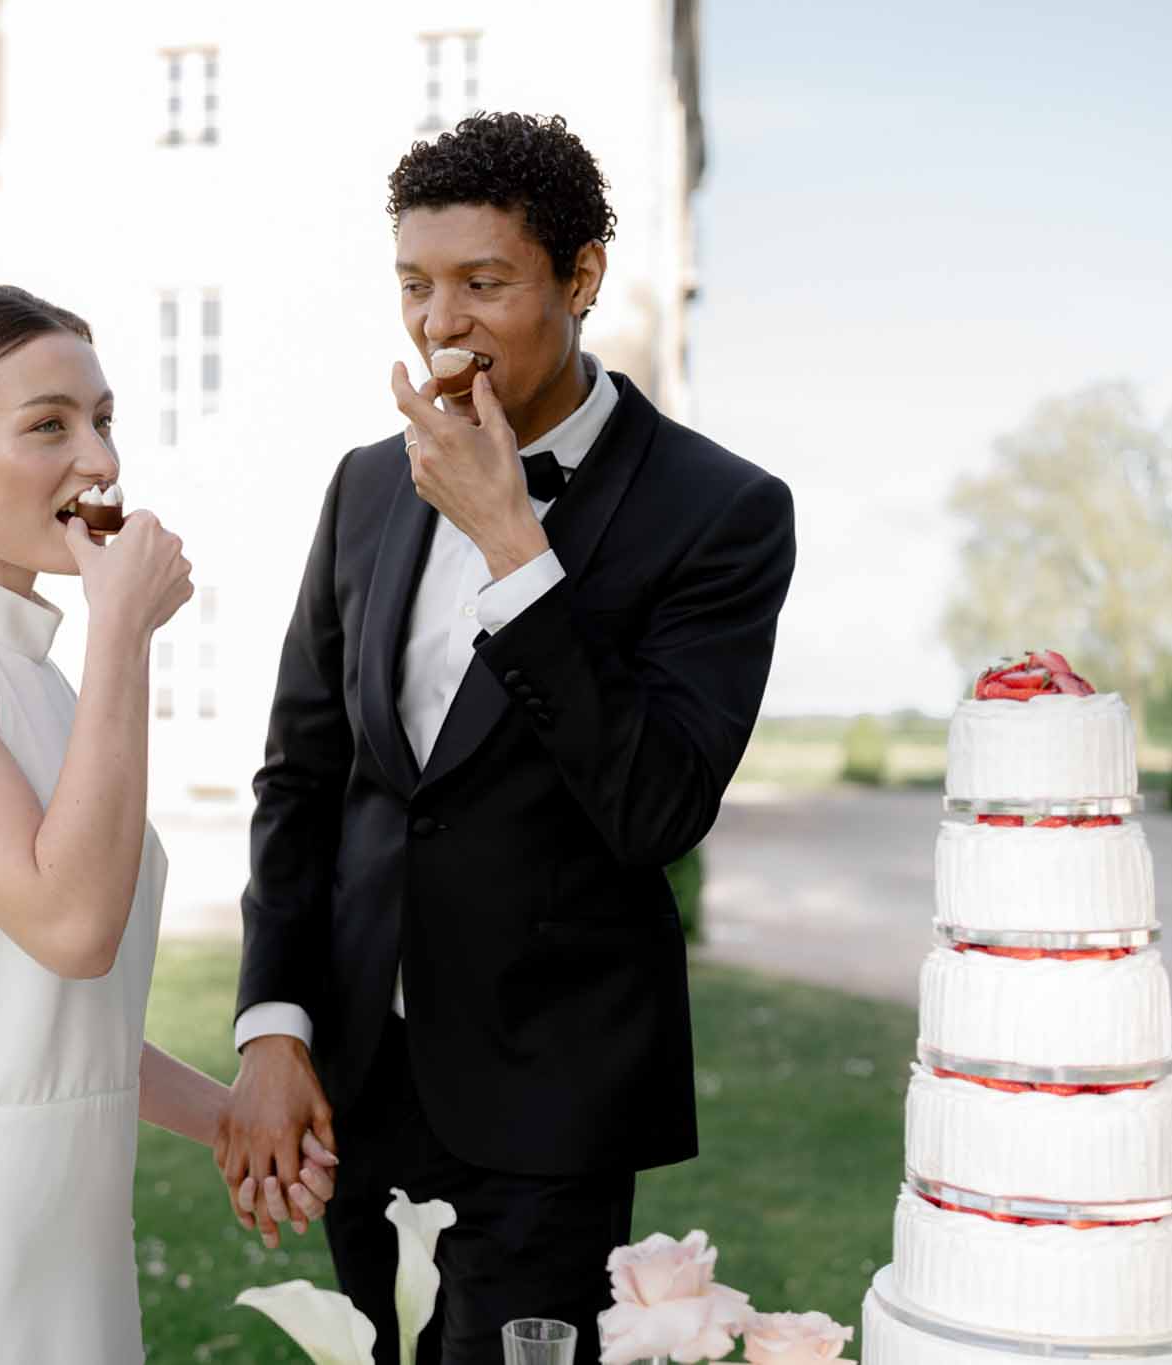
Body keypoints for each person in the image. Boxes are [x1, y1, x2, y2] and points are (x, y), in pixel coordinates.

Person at [218, 114, 797, 1363]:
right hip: (357, 1089)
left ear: (579, 279)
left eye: (484, 285)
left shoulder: (723, 513)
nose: (441, 325)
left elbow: (656, 811)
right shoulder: (367, 485)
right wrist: (273, 1025)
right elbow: (301, 778)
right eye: (416, 288)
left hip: (551, 1105)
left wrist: (511, 547)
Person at [0, 284, 335, 1362]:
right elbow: (72, 925)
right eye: (47, 424)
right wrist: (124, 633)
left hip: (73, 1257)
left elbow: (56, 1023)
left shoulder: (46, 683)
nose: (97, 459)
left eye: (102, 420)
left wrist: (233, 1117)